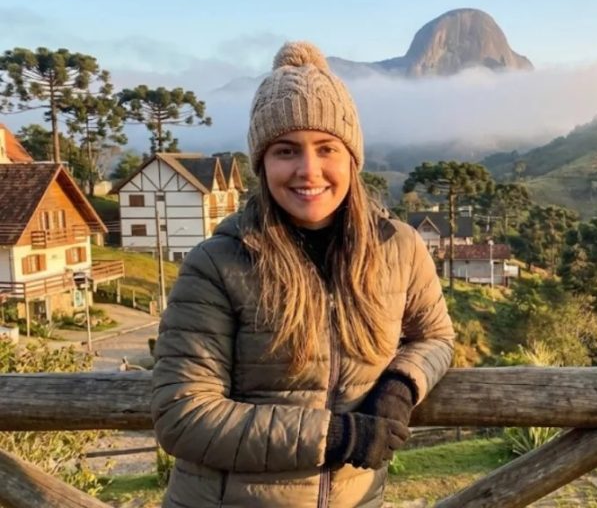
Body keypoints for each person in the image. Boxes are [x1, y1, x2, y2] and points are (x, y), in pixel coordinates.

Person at [151, 42, 455, 507]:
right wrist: (337, 436)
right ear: (262, 163)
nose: (308, 170)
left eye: (326, 148)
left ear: (352, 158)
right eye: (286, 150)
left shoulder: (400, 247)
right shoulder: (217, 264)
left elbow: (435, 336)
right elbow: (183, 415)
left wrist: (400, 385)